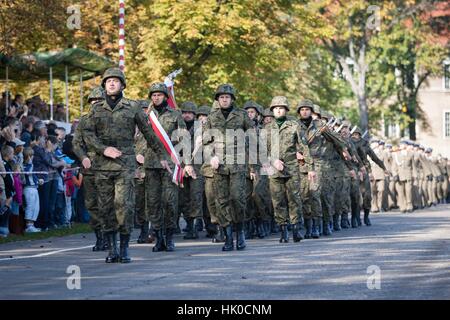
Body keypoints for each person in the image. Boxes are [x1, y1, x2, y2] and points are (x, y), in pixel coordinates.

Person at [83, 68, 165, 263]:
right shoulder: (95, 109)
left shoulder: (133, 107)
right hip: (103, 165)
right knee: (106, 208)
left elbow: (149, 133)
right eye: (108, 81)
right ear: (104, 85)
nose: (111, 83)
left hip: (125, 164)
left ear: (122, 85)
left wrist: (162, 155)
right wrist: (103, 149)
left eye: (115, 80)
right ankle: (112, 249)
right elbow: (87, 134)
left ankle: (124, 247)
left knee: (124, 206)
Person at [201, 84, 256, 251]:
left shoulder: (241, 115)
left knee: (238, 199)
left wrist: (252, 165)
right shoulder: (212, 117)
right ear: (218, 100)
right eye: (221, 97)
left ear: (232, 99)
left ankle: (240, 233)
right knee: (221, 201)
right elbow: (205, 141)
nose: (224, 99)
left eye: (227, 97)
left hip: (238, 164)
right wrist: (211, 157)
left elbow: (253, 138)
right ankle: (227, 237)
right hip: (219, 166)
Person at [143, 83, 194, 252]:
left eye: (159, 95)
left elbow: (184, 139)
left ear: (165, 96)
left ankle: (170, 236)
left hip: (171, 164)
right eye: (153, 95)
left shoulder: (175, 114)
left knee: (170, 202)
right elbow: (140, 139)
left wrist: (187, 164)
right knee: (153, 202)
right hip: (151, 163)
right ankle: (158, 237)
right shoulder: (146, 115)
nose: (156, 97)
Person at [264, 96, 309, 243]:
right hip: (274, 169)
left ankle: (295, 228)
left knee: (294, 198)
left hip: (291, 168)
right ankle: (283, 230)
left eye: (281, 108)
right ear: (272, 110)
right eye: (275, 108)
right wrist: (272, 160)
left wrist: (310, 167)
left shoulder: (294, 125)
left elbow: (303, 146)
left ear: (286, 110)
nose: (278, 110)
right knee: (278, 200)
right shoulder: (267, 128)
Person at [23, 147, 42, 233]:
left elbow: (33, 176)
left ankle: (32, 225)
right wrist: (30, 164)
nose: (33, 157)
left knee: (36, 207)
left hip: (34, 188)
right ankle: (28, 226)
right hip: (28, 189)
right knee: (30, 206)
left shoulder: (31, 165)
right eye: (31, 155)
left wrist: (38, 181)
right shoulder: (25, 165)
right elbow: (27, 173)